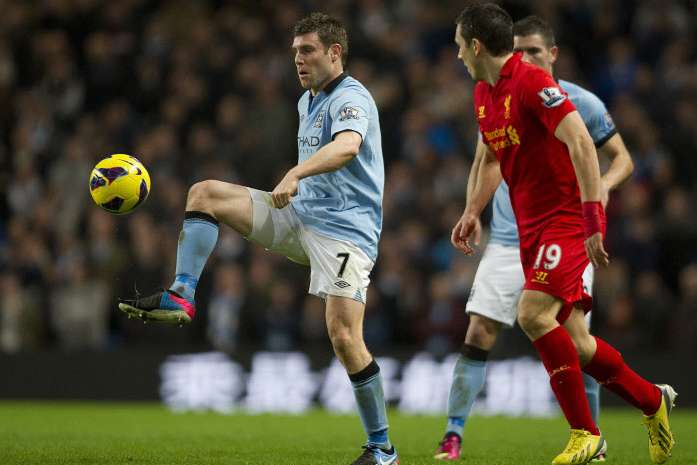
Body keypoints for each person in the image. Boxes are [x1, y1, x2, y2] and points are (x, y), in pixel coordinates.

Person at [118, 12, 399, 465]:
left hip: (347, 233)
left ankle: (383, 449)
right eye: (294, 52)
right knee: (204, 194)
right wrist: (295, 184)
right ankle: (182, 295)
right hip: (300, 216)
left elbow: (347, 146)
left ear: (334, 52)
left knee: (344, 337)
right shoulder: (307, 101)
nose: (298, 60)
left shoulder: (353, 97)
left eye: (307, 50)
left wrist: (296, 171)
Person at [447, 3, 676, 465]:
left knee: (532, 314)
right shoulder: (482, 94)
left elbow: (582, 145)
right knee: (579, 343)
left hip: (565, 219)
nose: (456, 56)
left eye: (458, 46)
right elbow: (492, 158)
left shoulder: (533, 83)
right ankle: (653, 401)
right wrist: (474, 210)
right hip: (531, 228)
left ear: (475, 45)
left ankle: (585, 435)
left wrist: (593, 220)